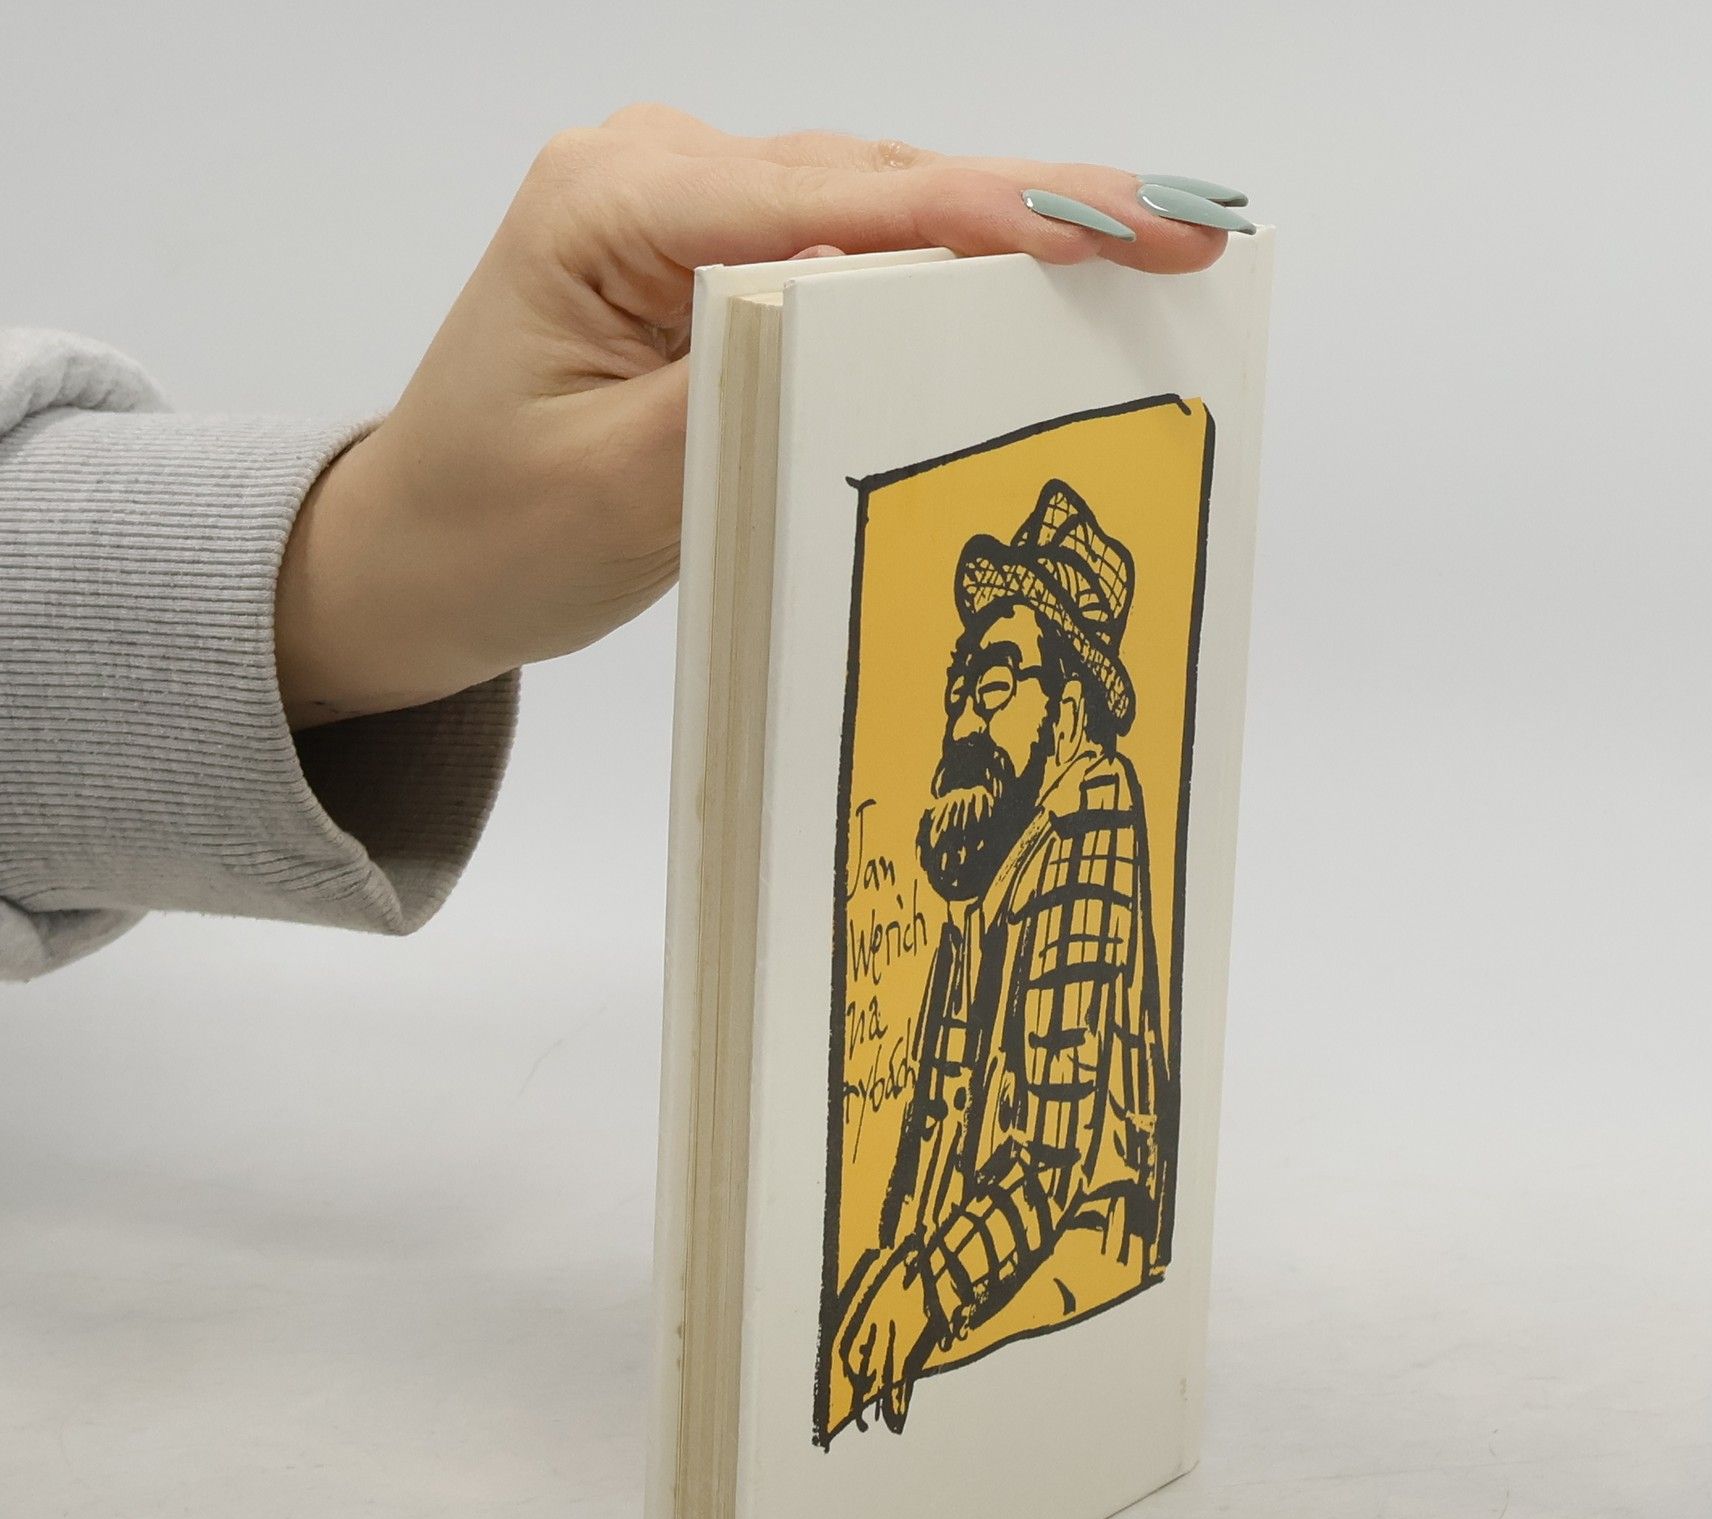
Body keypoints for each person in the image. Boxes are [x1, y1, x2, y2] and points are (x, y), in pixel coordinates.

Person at [0, 107, 1246, 982]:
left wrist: (354, 575)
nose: (965, 705)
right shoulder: (979, 875)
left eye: (1004, 676)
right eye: (970, 672)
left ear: (1077, 709)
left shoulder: (1079, 851)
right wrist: (365, 571)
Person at [833, 481, 1174, 1434]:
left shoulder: (1092, 813)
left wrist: (922, 1290)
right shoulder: (991, 868)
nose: (961, 727)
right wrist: (894, 1263)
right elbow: (937, 1134)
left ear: (1068, 710)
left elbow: (1051, 1159)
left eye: (991, 690)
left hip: (1083, 1257)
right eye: (959, 694)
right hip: (996, 1253)